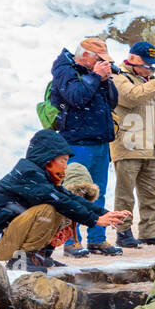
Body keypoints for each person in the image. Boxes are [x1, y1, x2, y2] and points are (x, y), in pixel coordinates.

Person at [0, 131, 129, 270]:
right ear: (48, 157)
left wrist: (106, 213)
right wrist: (95, 219)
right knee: (50, 209)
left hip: (9, 235)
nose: (65, 166)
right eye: (63, 160)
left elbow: (69, 197)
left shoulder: (40, 175)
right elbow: (60, 201)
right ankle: (21, 261)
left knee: (65, 207)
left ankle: (40, 257)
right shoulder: (28, 174)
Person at [50, 37, 122, 256]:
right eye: (99, 59)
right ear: (85, 56)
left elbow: (112, 102)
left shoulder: (95, 76)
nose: (103, 63)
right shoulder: (65, 71)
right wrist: (95, 77)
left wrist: (106, 80)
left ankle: (97, 238)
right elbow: (76, 97)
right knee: (75, 192)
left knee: (98, 192)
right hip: (76, 142)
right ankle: (72, 241)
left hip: (99, 141)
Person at [110, 41, 155, 249]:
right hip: (127, 145)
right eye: (147, 64)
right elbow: (131, 97)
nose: (150, 68)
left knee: (151, 194)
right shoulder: (118, 77)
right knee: (125, 194)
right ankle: (123, 231)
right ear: (133, 59)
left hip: (150, 145)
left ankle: (149, 232)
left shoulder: (146, 81)